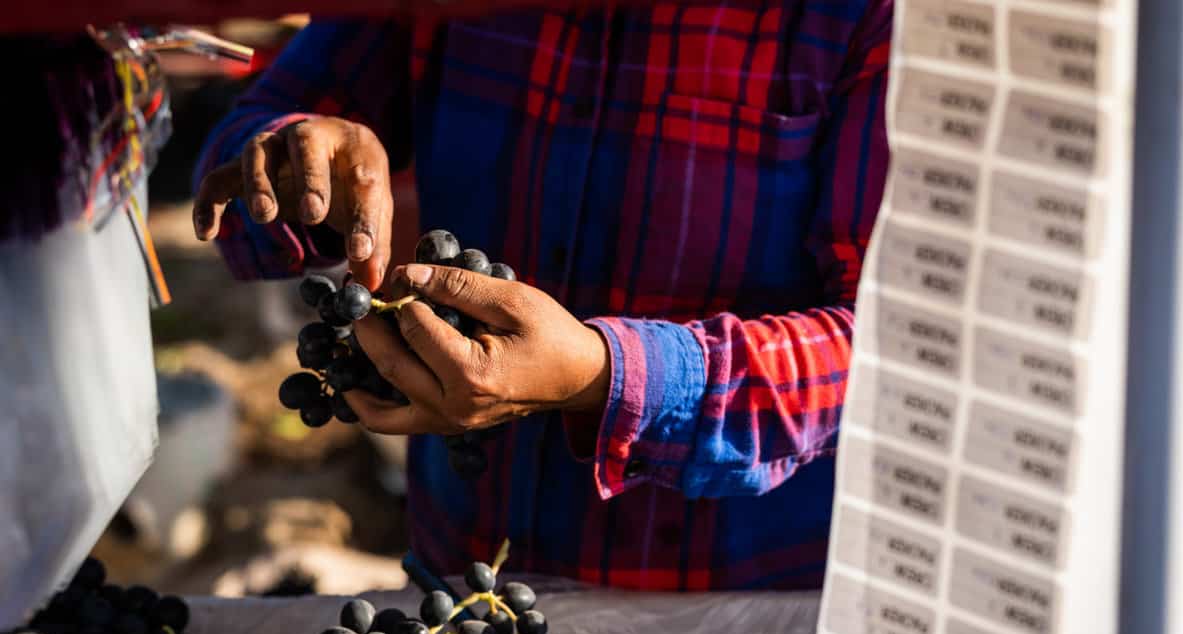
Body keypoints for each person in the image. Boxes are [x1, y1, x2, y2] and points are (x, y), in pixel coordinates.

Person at [193, 3, 892, 591]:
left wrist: (606, 376)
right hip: (463, 566)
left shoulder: (871, 18)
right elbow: (253, 128)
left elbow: (893, 358)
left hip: (730, 606)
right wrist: (286, 156)